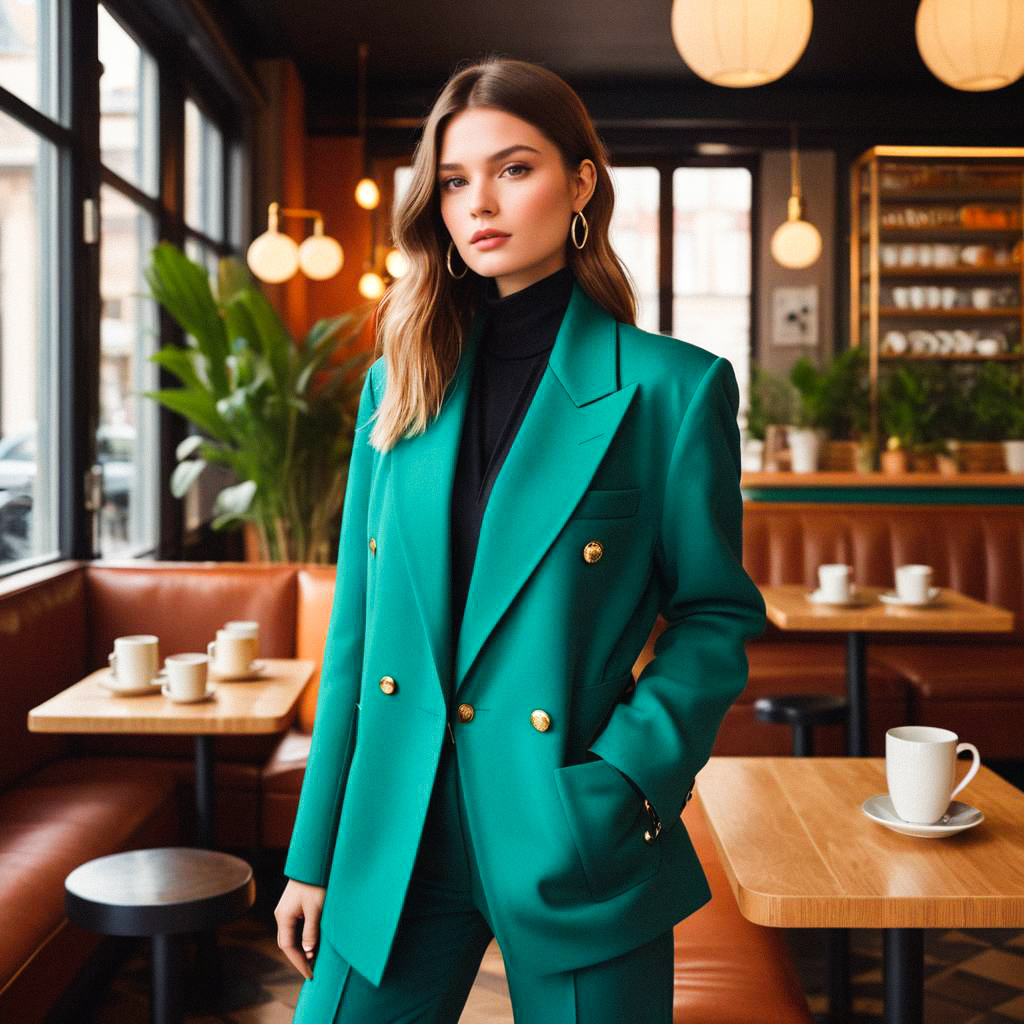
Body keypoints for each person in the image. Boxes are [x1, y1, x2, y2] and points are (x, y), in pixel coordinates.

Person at [275, 55, 767, 1023]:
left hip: (569, 830)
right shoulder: (397, 385)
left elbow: (713, 614)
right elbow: (356, 641)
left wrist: (628, 777)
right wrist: (314, 849)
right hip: (393, 837)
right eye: (455, 181)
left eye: (514, 168)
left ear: (580, 182)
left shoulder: (672, 387)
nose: (478, 203)